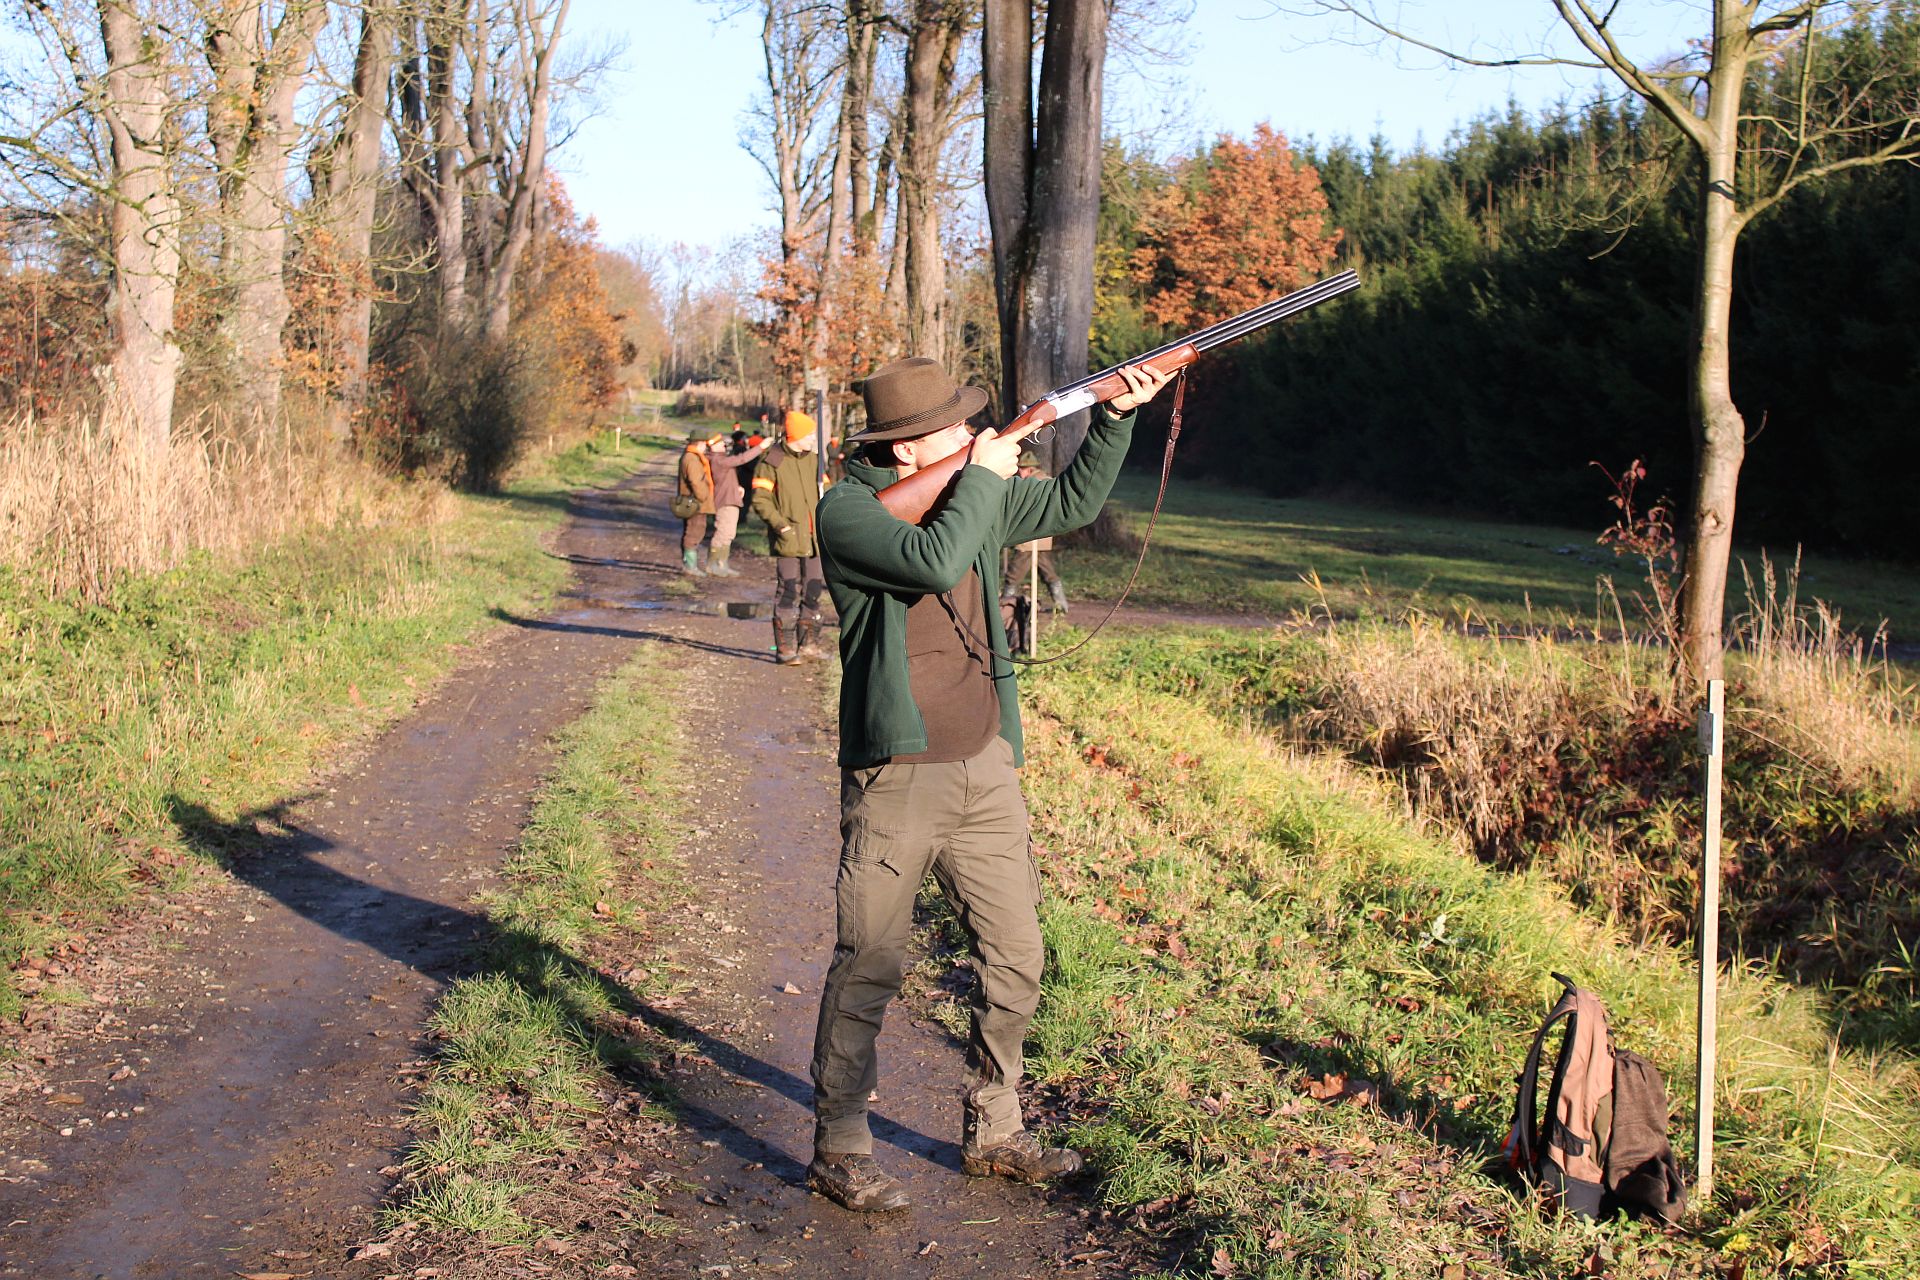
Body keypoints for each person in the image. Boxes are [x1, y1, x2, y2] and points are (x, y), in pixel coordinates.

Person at [805, 355, 1172, 1213]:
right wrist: (983, 472)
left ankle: (996, 1130)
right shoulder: (847, 512)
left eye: (975, 424)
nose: (975, 434)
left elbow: (1073, 506)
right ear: (906, 450)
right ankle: (840, 1146)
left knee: (1017, 959)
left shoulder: (971, 487)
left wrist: (1116, 418)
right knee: (870, 965)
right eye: (956, 428)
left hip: (984, 766)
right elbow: (934, 562)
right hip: (897, 778)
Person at [749, 409, 827, 663]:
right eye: (810, 434)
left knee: (813, 590)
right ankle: (785, 649)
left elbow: (827, 492)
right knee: (788, 591)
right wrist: (781, 526)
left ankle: (809, 645)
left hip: (815, 540)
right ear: (796, 436)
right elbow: (761, 499)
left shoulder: (815, 461)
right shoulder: (772, 461)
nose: (813, 438)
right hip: (788, 539)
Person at [999, 450, 1069, 616]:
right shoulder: (1047, 480)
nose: (1019, 472)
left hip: (1029, 536)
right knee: (1047, 571)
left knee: (1014, 573)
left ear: (1029, 469)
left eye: (1021, 469)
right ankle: (1061, 605)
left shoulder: (1032, 483)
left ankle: (1002, 605)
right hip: (1043, 536)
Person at [706, 431, 768, 578]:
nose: (723, 444)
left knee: (729, 533)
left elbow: (727, 477)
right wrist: (760, 447)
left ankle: (722, 564)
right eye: (719, 443)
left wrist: (736, 487)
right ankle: (713, 564)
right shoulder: (718, 460)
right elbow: (741, 459)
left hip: (731, 499)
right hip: (725, 501)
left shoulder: (720, 459)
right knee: (722, 532)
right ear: (713, 446)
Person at [676, 430, 723, 575]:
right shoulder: (692, 458)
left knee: (694, 531)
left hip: (693, 502)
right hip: (696, 503)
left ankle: (690, 565)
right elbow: (696, 481)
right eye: (705, 444)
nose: (706, 447)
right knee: (694, 532)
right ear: (700, 443)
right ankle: (690, 567)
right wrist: (704, 497)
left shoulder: (690, 456)